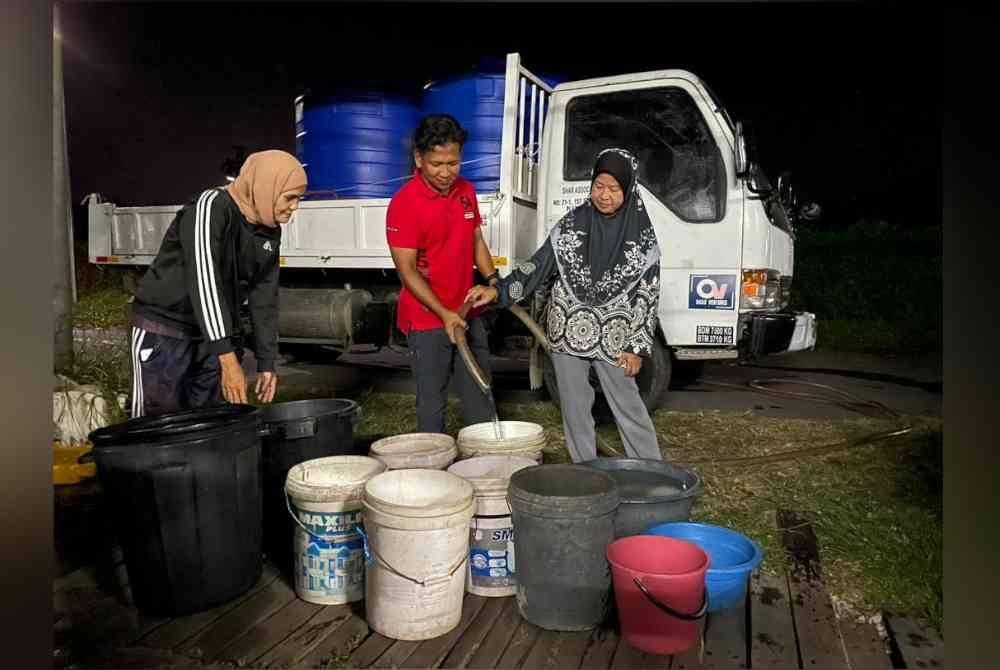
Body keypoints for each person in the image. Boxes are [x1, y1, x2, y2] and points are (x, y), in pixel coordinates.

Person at [467, 148, 662, 462]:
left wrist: (637, 347)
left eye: (614, 189)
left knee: (629, 405)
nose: (605, 195)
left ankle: (654, 475)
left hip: (616, 338)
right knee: (574, 408)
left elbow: (648, 296)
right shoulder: (571, 225)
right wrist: (499, 291)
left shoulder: (642, 238)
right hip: (567, 331)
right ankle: (585, 475)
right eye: (599, 186)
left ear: (628, 189)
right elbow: (538, 266)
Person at [127, 149, 307, 418]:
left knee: (209, 424)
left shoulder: (268, 230)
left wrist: (266, 362)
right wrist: (227, 358)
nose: (295, 206)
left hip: (209, 338)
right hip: (164, 330)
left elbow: (264, 297)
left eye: (299, 198)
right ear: (265, 186)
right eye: (290, 197)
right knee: (154, 427)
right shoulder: (210, 206)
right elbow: (203, 278)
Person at [386, 114, 500, 433]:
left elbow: (476, 238)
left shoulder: (466, 191)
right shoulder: (404, 204)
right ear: (419, 158)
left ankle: (485, 463)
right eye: (437, 164)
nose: (446, 172)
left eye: (453, 162)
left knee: (480, 391)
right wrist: (444, 313)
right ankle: (432, 473)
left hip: (466, 310)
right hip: (427, 319)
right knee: (432, 404)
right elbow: (407, 272)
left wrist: (493, 280)